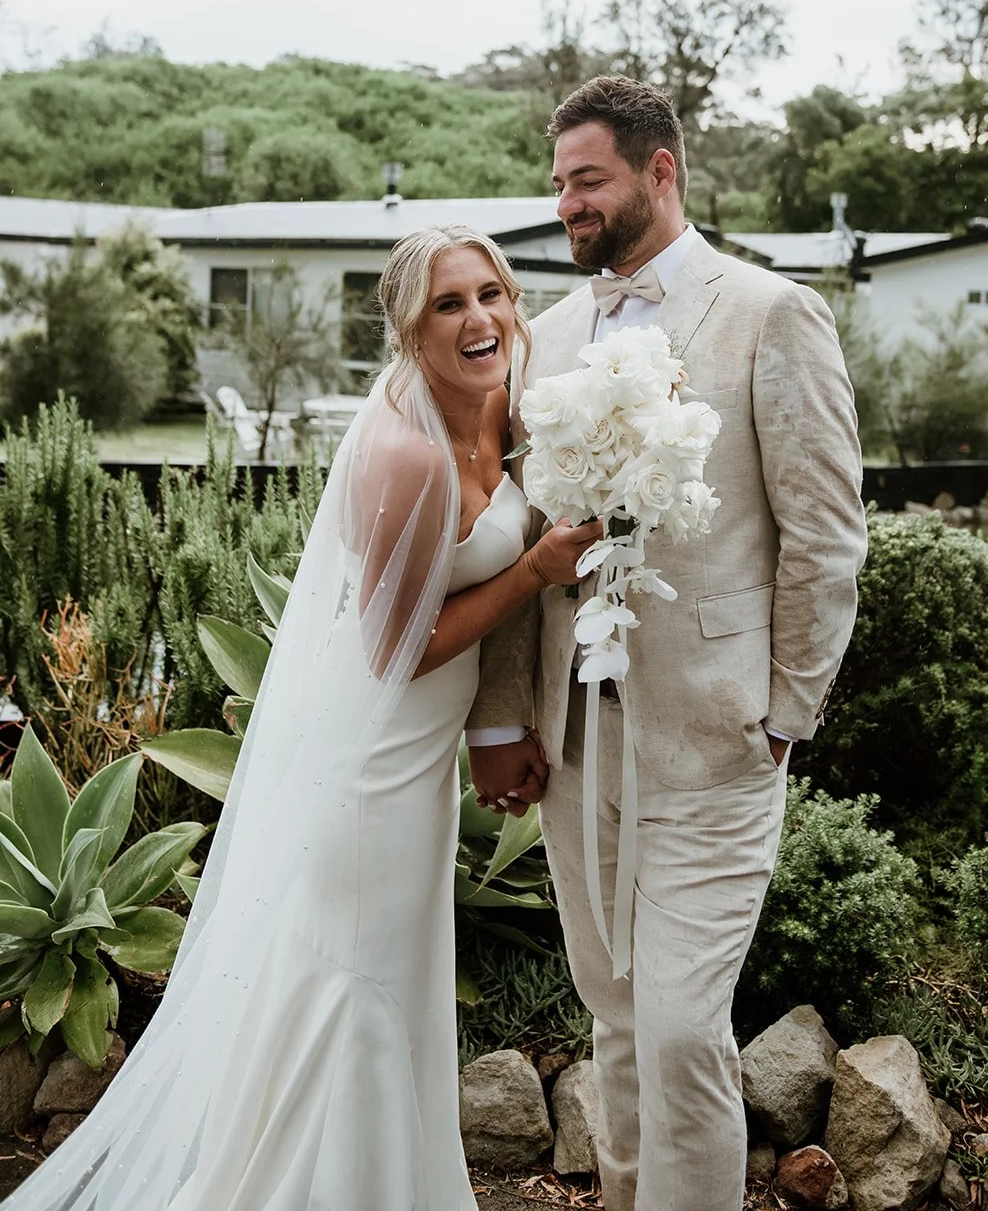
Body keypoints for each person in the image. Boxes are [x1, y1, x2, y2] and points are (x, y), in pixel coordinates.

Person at [7, 225, 598, 1211]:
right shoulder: (402, 455)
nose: (479, 318)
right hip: (371, 766)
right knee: (357, 986)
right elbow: (393, 648)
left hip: (423, 761)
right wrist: (535, 569)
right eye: (447, 304)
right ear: (408, 331)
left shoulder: (506, 408)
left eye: (488, 292)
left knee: (391, 983)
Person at [468, 76, 868, 1211]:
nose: (567, 206)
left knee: (684, 1027)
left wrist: (785, 710)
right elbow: (517, 542)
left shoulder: (769, 313)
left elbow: (825, 535)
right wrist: (503, 718)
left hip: (714, 733)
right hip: (574, 737)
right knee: (615, 1014)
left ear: (658, 170)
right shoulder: (540, 340)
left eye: (586, 180)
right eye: (556, 186)